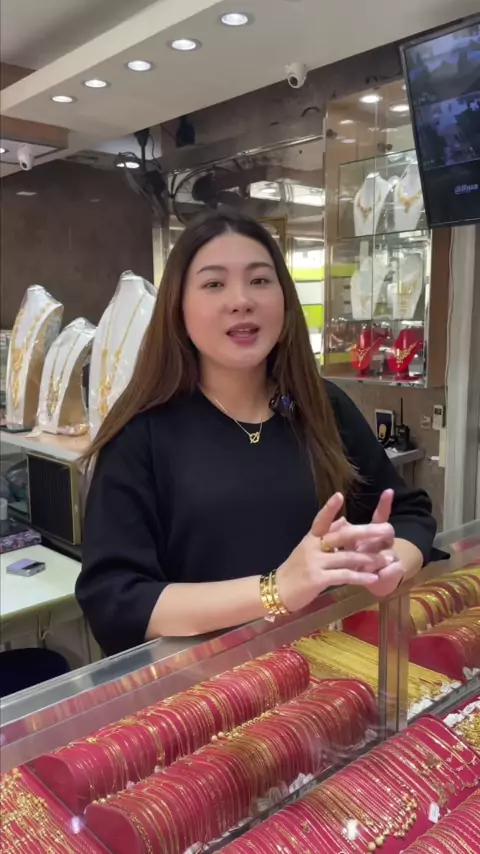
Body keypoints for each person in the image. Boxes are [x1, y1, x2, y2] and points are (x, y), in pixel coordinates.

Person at [76, 210, 436, 656]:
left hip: (326, 668)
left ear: (284, 299)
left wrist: (389, 562)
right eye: (214, 284)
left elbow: (409, 514)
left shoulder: (320, 406)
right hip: (207, 685)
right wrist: (276, 589)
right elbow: (115, 600)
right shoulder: (141, 432)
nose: (241, 300)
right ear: (178, 308)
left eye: (260, 280)